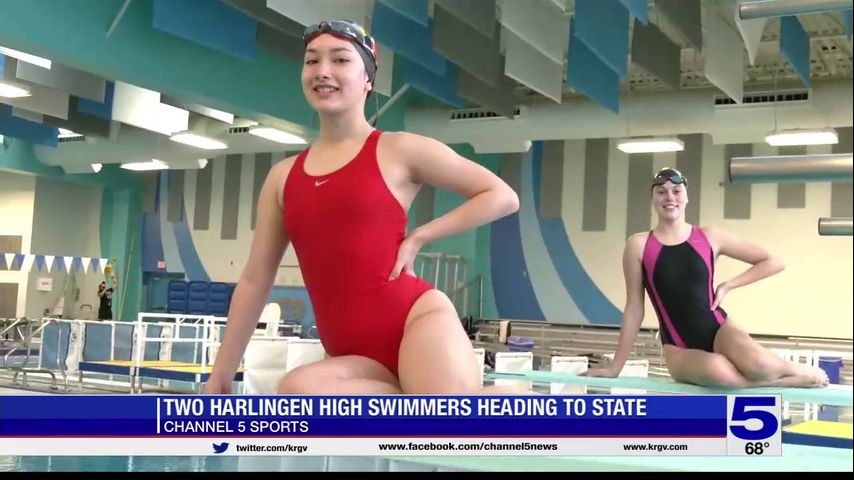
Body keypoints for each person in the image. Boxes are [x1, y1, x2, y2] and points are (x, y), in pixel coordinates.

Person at [204, 20, 520, 395]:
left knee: (439, 428)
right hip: (355, 356)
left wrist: (421, 235)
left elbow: (501, 195)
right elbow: (256, 279)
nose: (323, 71)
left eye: (340, 60)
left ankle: (492, 406)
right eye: (312, 61)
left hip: (416, 322)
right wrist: (222, 371)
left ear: (368, 78)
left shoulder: (398, 149)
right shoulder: (282, 178)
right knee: (299, 391)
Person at [585, 167, 828, 389]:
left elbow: (774, 261)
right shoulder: (638, 246)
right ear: (653, 199)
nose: (670, 197)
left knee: (759, 366)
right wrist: (615, 368)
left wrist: (728, 285)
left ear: (686, 197)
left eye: (676, 191)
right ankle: (791, 382)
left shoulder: (709, 237)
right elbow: (634, 308)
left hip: (718, 328)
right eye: (662, 192)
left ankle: (796, 370)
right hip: (678, 348)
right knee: (720, 374)